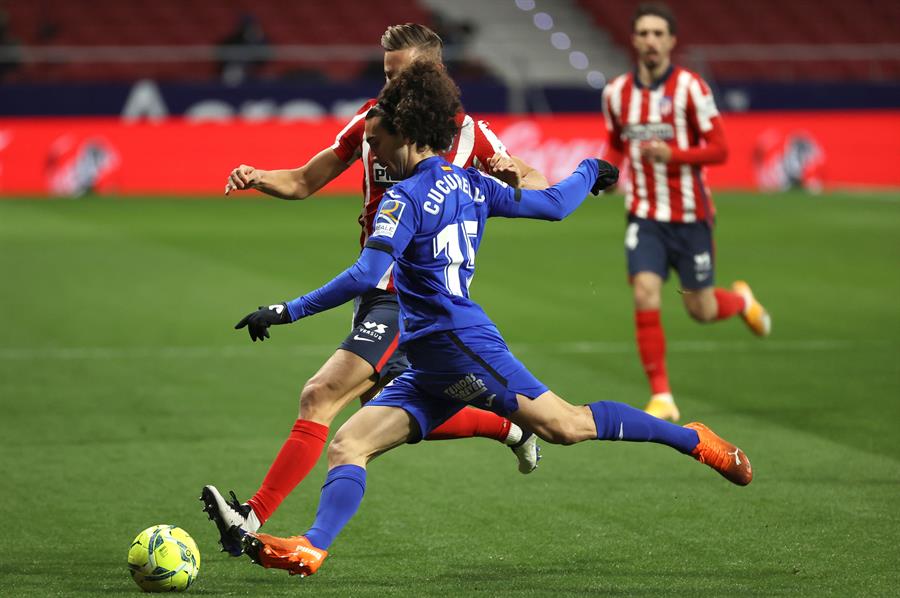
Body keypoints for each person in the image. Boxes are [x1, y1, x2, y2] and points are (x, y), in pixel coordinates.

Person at [233, 61, 753, 578]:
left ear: (406, 133)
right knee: (350, 443)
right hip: (426, 358)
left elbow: (369, 273)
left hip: (461, 343)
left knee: (565, 426)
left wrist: (288, 310)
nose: (374, 151)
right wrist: (591, 171)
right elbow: (552, 205)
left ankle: (692, 439)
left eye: (377, 138)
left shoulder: (404, 198)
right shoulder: (472, 185)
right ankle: (312, 546)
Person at [201, 24, 549, 556]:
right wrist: (257, 176)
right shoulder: (372, 121)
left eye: (401, 75)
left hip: (409, 294)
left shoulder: (468, 133)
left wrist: (512, 171)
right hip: (377, 292)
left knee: (321, 394)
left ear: (432, 73)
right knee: (388, 408)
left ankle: (250, 516)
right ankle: (510, 429)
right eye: (386, 74)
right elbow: (303, 180)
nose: (390, 85)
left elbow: (535, 182)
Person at [600, 2, 771, 422]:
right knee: (644, 292)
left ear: (672, 41)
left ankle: (741, 300)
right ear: (634, 40)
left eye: (659, 34)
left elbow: (720, 148)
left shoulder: (692, 89)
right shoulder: (616, 94)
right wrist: (604, 176)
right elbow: (617, 146)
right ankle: (661, 395)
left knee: (702, 310)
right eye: (644, 33)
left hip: (691, 217)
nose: (651, 41)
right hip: (644, 215)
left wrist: (672, 154)